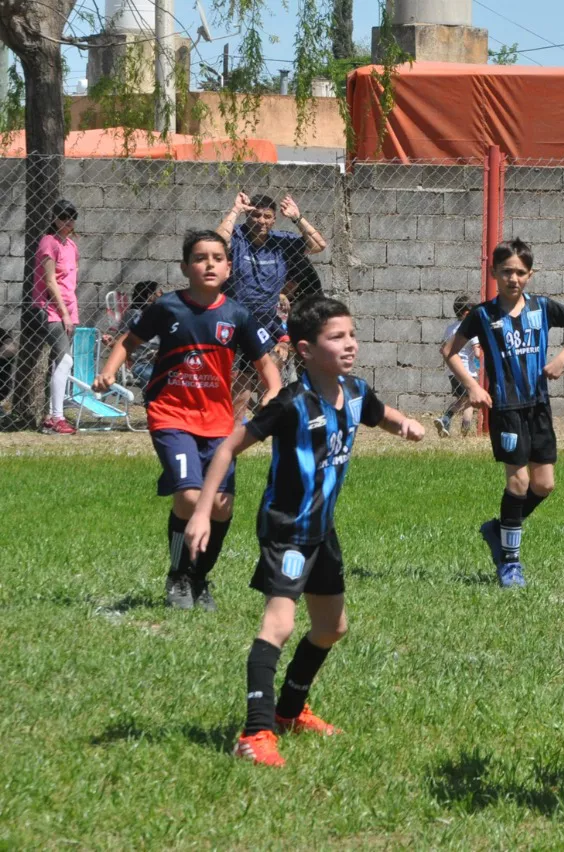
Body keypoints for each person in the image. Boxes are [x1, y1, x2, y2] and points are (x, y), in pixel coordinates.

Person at [185, 295, 425, 768]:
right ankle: (254, 733)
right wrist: (199, 513)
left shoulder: (355, 391)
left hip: (322, 530)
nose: (350, 343)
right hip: (286, 530)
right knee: (280, 624)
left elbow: (379, 412)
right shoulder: (290, 404)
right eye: (337, 337)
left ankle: (289, 712)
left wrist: (406, 425)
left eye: (351, 334)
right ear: (305, 350)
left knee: (332, 628)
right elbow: (229, 447)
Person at [96, 230, 282, 610]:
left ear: (229, 268)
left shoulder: (237, 314)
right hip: (171, 415)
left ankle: (199, 579)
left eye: (217, 257)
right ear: (185, 267)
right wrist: (109, 371)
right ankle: (178, 575)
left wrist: (274, 390)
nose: (209, 264)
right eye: (200, 258)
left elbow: (266, 363)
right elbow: (128, 341)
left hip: (218, 423)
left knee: (222, 505)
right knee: (191, 495)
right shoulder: (168, 308)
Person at [442, 239, 564, 588]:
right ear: (494, 272)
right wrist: (473, 386)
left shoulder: (543, 308)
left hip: (538, 406)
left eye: (521, 272)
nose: (514, 278)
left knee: (544, 484)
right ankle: (510, 563)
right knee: (519, 482)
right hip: (506, 409)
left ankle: (500, 529)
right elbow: (449, 350)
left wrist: (562, 359)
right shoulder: (483, 315)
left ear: (531, 274)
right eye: (507, 271)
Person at [215, 191, 327, 413]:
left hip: (265, 322)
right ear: (249, 216)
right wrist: (236, 210)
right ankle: (236, 422)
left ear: (274, 219)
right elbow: (218, 242)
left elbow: (318, 245)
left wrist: (297, 217)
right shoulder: (238, 237)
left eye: (267, 216)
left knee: (267, 368)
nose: (261, 221)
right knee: (238, 381)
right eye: (256, 215)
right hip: (234, 318)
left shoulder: (281, 241)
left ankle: (261, 414)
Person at [34, 199, 80, 435]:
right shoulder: (48, 242)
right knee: (65, 360)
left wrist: (71, 312)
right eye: (64, 218)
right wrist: (64, 313)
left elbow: (70, 281)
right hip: (51, 308)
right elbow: (50, 281)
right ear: (55, 219)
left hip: (69, 309)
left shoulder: (70, 245)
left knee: (61, 361)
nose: (68, 222)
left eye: (72, 218)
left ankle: (52, 415)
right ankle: (57, 416)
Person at [435, 295, 481, 438]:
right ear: (466, 313)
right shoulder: (471, 329)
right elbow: (478, 353)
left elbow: (442, 349)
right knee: (464, 401)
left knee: (468, 402)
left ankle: (464, 434)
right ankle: (446, 418)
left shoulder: (450, 328)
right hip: (467, 372)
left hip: (452, 371)